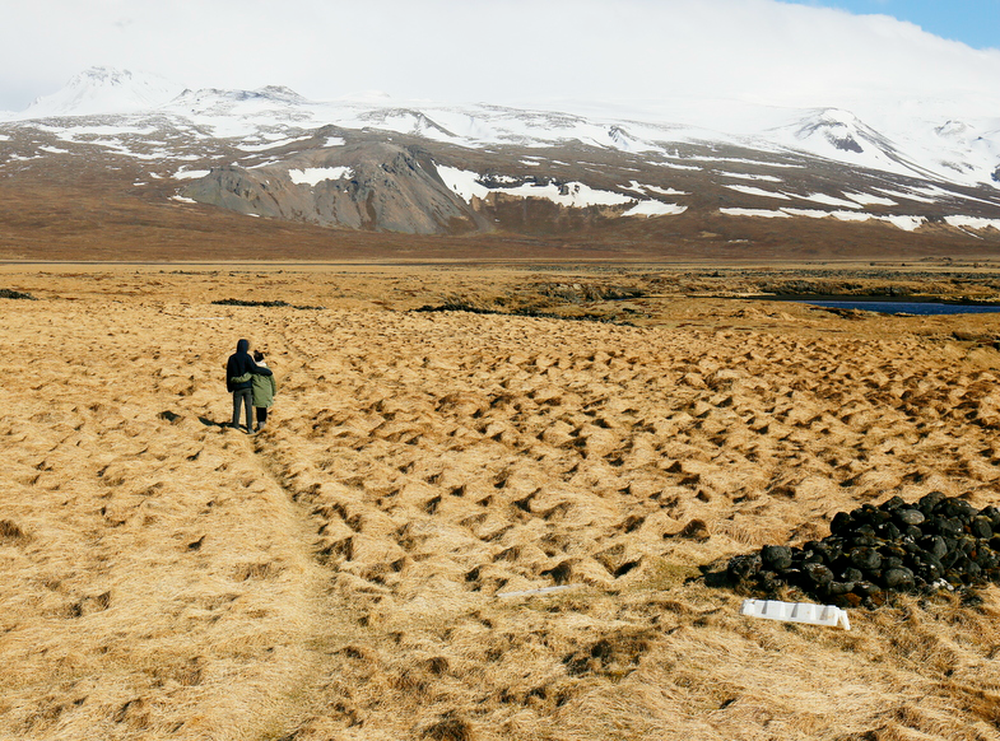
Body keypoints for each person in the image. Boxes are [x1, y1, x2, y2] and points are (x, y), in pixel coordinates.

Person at [226, 339, 272, 433]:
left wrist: (229, 387)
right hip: (247, 387)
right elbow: (254, 369)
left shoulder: (232, 358)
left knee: (237, 407)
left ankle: (235, 425)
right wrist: (267, 371)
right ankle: (249, 428)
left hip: (236, 387)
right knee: (249, 408)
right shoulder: (247, 357)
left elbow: (229, 373)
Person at [250, 349, 277, 432]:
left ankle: (259, 424)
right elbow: (273, 382)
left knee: (259, 410)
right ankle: (263, 424)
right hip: (266, 392)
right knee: (264, 409)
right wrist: (273, 392)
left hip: (256, 392)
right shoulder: (267, 370)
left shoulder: (252, 370)